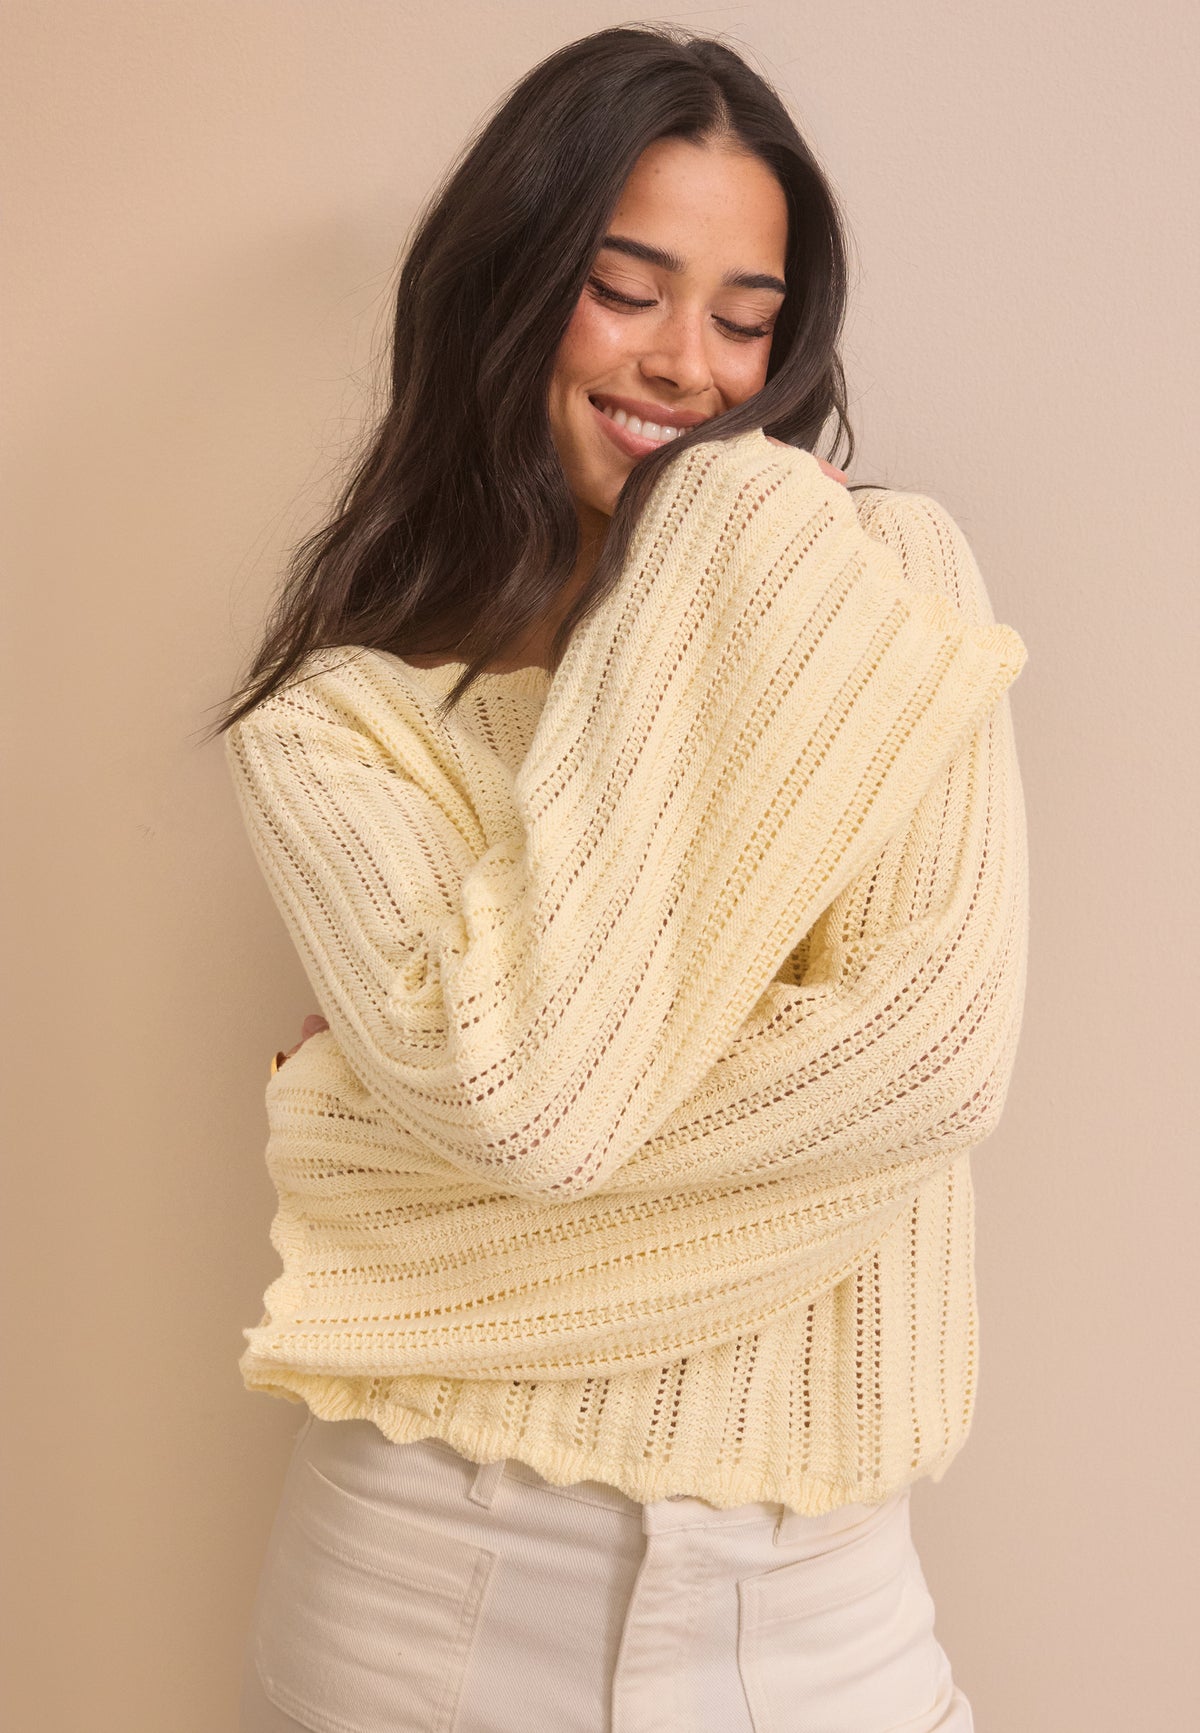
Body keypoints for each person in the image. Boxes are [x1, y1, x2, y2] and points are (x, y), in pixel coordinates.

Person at [209, 25, 1028, 1733]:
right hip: (431, 1599)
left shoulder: (890, 583)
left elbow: (938, 1064)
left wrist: (353, 1142)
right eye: (626, 290)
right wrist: (691, 567)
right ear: (509, 290)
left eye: (745, 317)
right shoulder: (339, 725)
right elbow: (531, 1108)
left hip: (823, 1622)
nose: (690, 366)